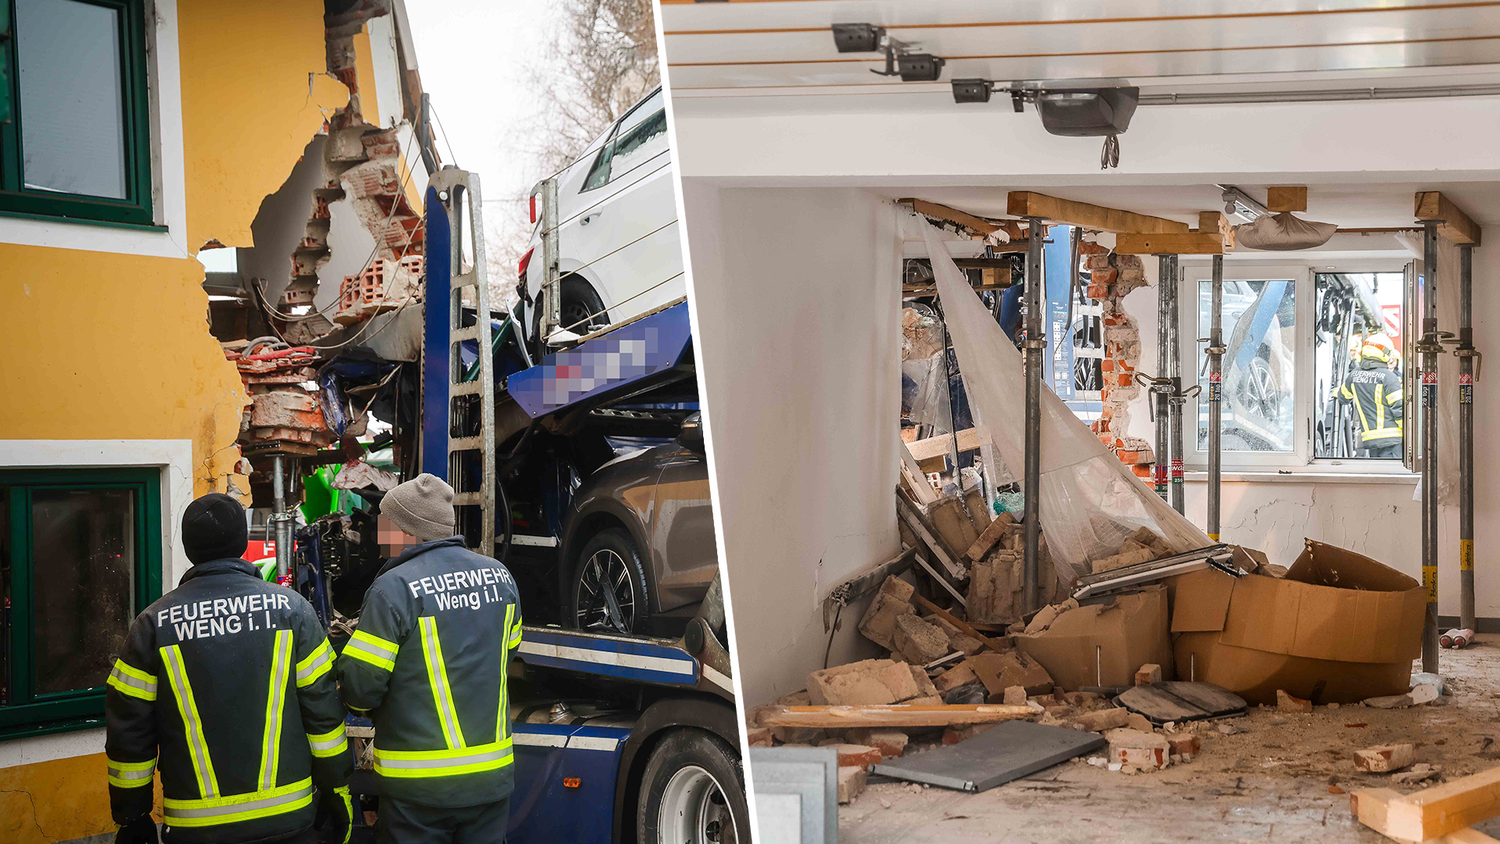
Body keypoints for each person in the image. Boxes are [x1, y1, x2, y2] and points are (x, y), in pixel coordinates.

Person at [105, 493, 353, 844]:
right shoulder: (293, 611)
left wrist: (131, 816)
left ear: (189, 548)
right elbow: (324, 716)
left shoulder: (152, 625)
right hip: (289, 818)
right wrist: (336, 787)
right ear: (241, 543)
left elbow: (128, 737)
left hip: (196, 827)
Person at [338, 473, 523, 844]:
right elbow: (509, 649)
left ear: (407, 529)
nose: (380, 536)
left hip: (418, 791)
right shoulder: (501, 578)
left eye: (386, 525)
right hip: (491, 781)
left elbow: (360, 689)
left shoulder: (394, 589)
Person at [1338, 334, 1405, 458]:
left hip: (1370, 440)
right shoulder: (1389, 377)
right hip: (1392, 440)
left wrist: (1336, 391)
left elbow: (1343, 397)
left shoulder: (1354, 375)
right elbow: (1399, 408)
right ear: (1385, 354)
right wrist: (1409, 432)